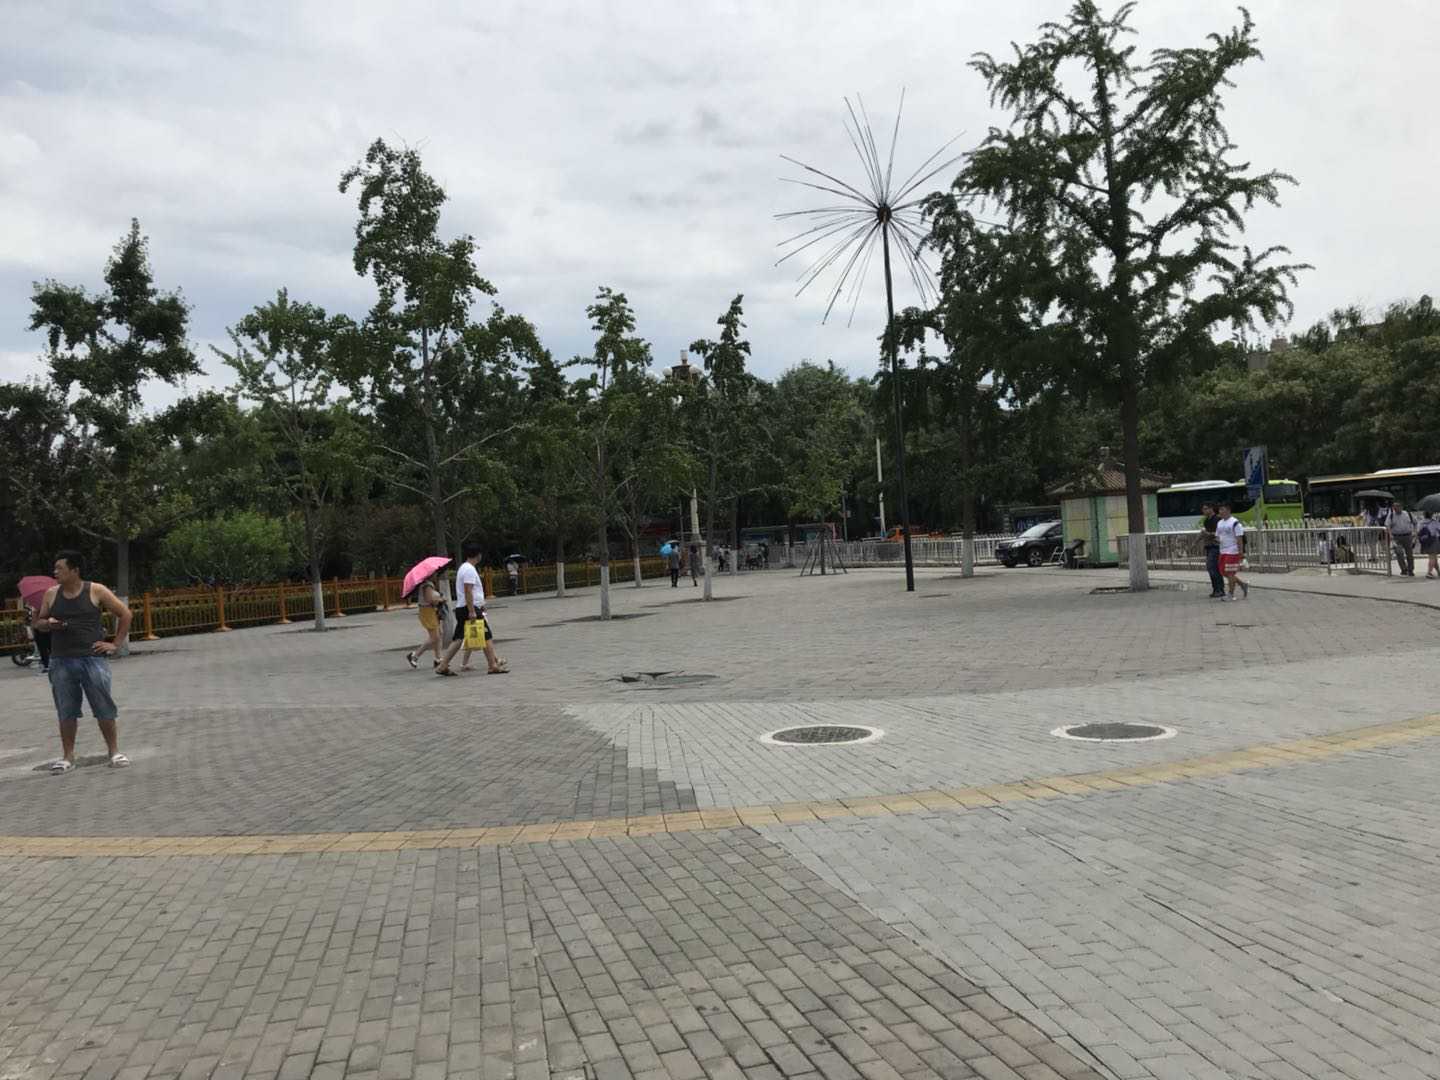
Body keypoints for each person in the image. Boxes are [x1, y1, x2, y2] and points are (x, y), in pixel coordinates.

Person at [33, 550, 132, 774]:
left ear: (74, 570)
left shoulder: (96, 590)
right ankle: (68, 757)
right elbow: (38, 623)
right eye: (55, 568)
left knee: (103, 706)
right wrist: (48, 624)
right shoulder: (51, 594)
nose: (55, 572)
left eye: (60, 568)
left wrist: (115, 644)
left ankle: (114, 752)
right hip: (61, 660)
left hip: (92, 659)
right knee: (66, 709)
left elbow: (125, 614)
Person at [436, 542, 507, 676]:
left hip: (464, 607)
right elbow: (468, 590)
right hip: (469, 607)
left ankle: (443, 665)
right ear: (478, 555)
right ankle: (492, 665)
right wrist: (472, 611)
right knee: (487, 635)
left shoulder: (464, 567)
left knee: (458, 638)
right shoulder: (469, 570)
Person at [405, 572, 446, 669]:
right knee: (434, 637)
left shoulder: (427, 584)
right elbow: (429, 599)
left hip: (429, 611)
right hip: (427, 611)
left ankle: (438, 658)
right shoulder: (427, 585)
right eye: (435, 574)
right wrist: (441, 600)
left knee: (439, 634)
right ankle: (415, 655)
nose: (436, 575)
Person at [1215, 504, 1249, 600]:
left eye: (1222, 509)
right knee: (1223, 572)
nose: (1220, 512)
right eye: (1219, 510)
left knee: (1230, 572)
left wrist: (1241, 552)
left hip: (1232, 551)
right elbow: (1218, 535)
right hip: (1223, 550)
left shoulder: (1235, 523)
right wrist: (1217, 540)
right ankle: (1243, 584)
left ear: (1228, 510)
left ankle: (1230, 594)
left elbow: (1239, 539)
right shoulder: (1219, 523)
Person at [1200, 501, 1224, 598]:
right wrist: (1196, 541)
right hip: (1209, 546)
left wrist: (1208, 534)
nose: (1203, 511)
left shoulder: (1217, 520)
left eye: (1205, 509)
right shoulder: (1206, 520)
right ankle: (1216, 589)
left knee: (1212, 568)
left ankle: (1220, 589)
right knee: (1213, 568)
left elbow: (1218, 534)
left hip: (1216, 546)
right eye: (1203, 509)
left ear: (1211, 509)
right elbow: (1204, 533)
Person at [1386, 501, 1417, 576]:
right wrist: (1390, 535)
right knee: (1399, 553)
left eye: (1397, 508)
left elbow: (1415, 523)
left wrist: (1415, 532)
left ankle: (1410, 570)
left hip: (1408, 536)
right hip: (1396, 537)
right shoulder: (1391, 515)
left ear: (1401, 507)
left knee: (1409, 554)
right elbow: (1387, 526)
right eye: (1395, 508)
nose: (1396, 510)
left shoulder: (1408, 514)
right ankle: (1403, 569)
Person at [1418, 511, 1440, 580]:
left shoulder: (1421, 522)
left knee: (1433, 557)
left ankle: (1438, 571)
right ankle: (1429, 572)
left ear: (1424, 514)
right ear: (1431, 514)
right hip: (1433, 540)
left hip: (1425, 541)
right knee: (1432, 557)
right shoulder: (1434, 522)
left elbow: (1418, 531)